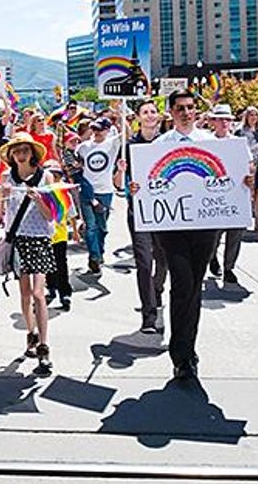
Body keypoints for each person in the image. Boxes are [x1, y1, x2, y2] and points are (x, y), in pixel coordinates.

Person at [152, 90, 219, 381]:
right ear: (170, 111)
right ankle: (181, 355)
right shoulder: (160, 146)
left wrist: (244, 180)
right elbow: (148, 182)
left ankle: (188, 348)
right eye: (180, 108)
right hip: (172, 227)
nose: (186, 113)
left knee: (194, 288)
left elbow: (225, 179)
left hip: (205, 226)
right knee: (182, 284)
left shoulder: (211, 143)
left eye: (191, 107)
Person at [0, 132, 57, 376]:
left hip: (39, 238)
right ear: (11, 154)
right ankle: (30, 332)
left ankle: (44, 345)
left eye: (25, 150)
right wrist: (2, 195)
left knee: (38, 293)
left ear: (32, 153)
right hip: (17, 239)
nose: (21, 154)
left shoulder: (46, 177)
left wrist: (39, 198)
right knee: (24, 294)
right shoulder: (6, 177)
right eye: (16, 150)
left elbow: (51, 215)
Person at [125, 99, 167, 332]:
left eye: (153, 111)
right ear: (138, 117)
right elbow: (117, 182)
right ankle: (148, 315)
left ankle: (157, 288)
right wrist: (123, 177)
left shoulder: (167, 142)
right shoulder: (129, 146)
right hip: (139, 210)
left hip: (167, 211)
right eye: (145, 112)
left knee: (163, 259)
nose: (150, 115)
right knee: (143, 262)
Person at [206, 104, 250, 285]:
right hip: (213, 195)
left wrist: (249, 177)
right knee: (213, 236)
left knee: (235, 235)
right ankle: (212, 257)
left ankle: (229, 267)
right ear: (213, 122)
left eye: (228, 120)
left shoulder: (239, 143)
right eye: (220, 119)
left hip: (235, 196)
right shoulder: (206, 142)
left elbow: (248, 165)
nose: (224, 123)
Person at [77, 117, 122, 273]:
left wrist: (119, 114)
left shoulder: (112, 144)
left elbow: (126, 134)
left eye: (100, 129)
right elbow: (74, 162)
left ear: (107, 130)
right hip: (87, 192)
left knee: (102, 228)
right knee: (91, 227)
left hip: (105, 191)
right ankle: (94, 257)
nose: (96, 132)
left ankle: (99, 253)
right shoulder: (83, 147)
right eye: (94, 129)